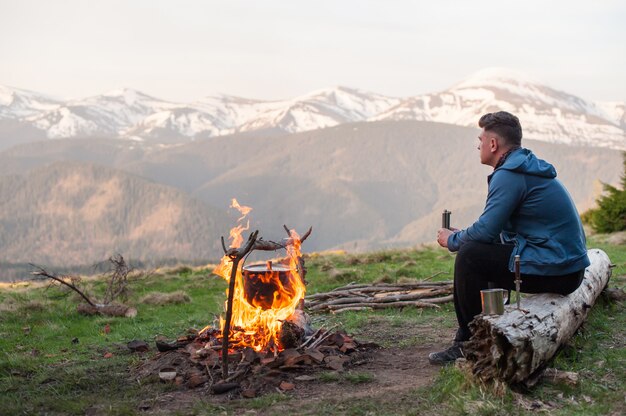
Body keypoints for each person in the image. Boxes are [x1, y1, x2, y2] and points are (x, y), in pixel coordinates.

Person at [429, 111, 590, 365]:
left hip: (560, 271)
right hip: (568, 268)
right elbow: (491, 230)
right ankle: (493, 323)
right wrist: (464, 236)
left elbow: (484, 232)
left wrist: (452, 239)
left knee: (470, 256)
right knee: (480, 249)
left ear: (493, 144)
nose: (478, 146)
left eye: (480, 140)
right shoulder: (522, 167)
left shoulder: (510, 174)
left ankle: (467, 344)